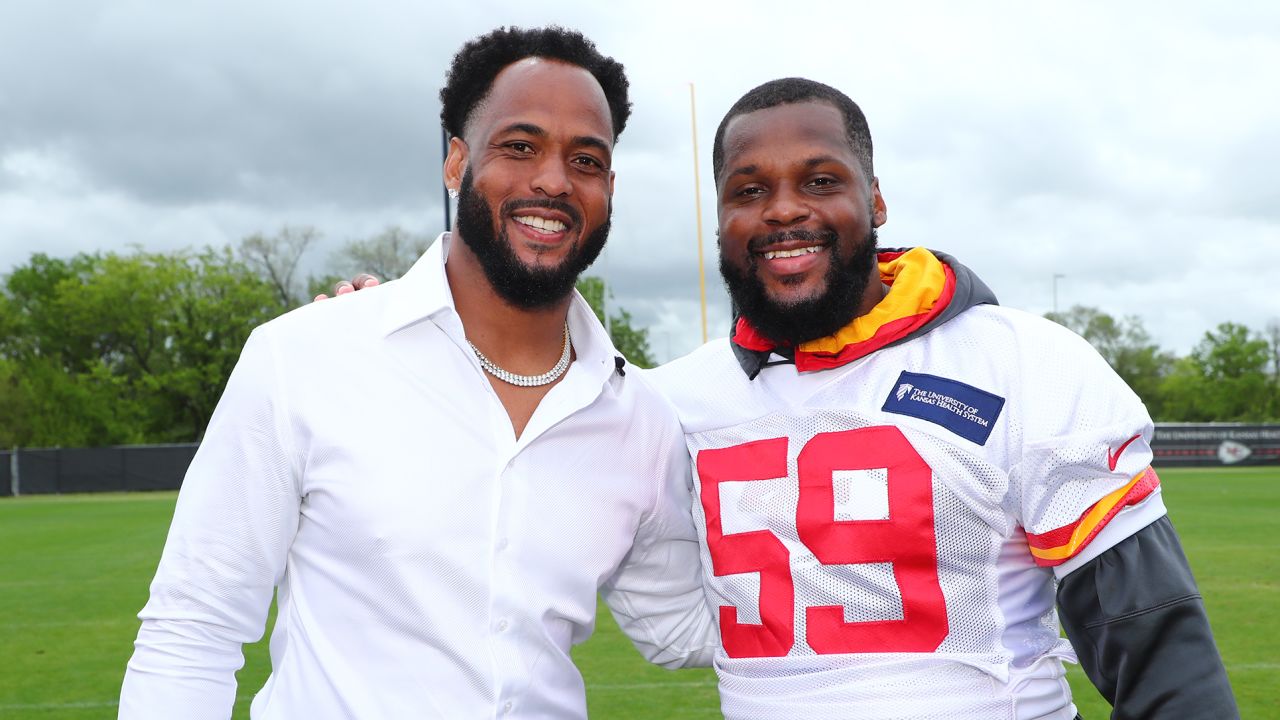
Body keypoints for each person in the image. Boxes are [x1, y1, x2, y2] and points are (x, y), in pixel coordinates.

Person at [118, 26, 717, 720]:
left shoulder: (638, 415)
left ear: (607, 187)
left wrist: (863, 562)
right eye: (519, 147)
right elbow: (194, 626)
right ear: (457, 162)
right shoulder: (306, 357)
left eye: (584, 159)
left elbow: (684, 625)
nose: (553, 180)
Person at [644, 78, 1238, 719]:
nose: (784, 209)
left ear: (874, 199)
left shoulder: (1021, 362)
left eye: (820, 181)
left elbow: (1157, 653)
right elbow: (663, 615)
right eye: (749, 190)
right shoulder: (674, 402)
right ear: (721, 217)